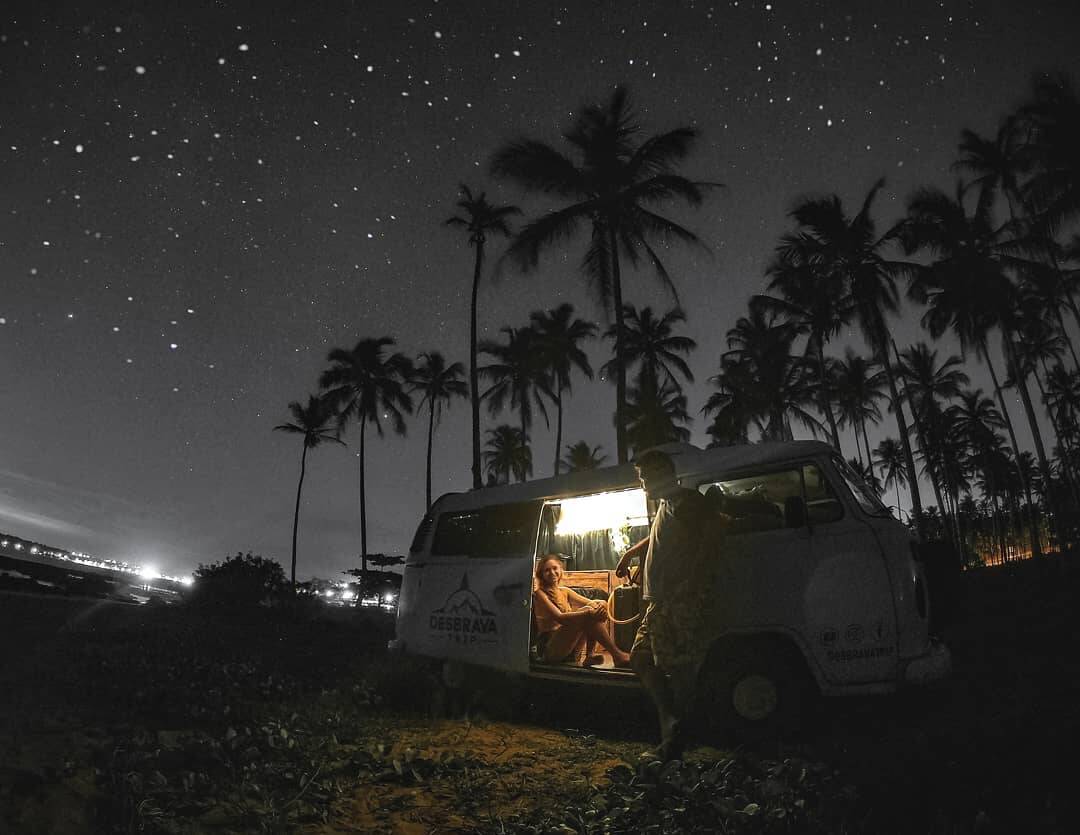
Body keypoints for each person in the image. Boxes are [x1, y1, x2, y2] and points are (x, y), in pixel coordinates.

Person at [614, 448, 715, 761]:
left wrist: (691, 581)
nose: (643, 485)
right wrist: (632, 552)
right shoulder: (668, 504)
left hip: (677, 600)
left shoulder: (687, 501)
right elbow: (664, 537)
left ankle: (675, 740)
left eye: (645, 478)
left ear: (661, 474)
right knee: (641, 658)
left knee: (680, 667)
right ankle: (673, 725)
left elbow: (714, 532)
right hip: (660, 601)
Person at [533, 555, 632, 667]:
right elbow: (559, 617)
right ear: (541, 575)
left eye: (555, 568)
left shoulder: (564, 591)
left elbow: (592, 603)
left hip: (570, 649)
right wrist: (588, 612)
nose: (552, 572)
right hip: (550, 649)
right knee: (587, 612)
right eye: (547, 570)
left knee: (592, 609)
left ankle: (590, 655)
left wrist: (602, 604)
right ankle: (617, 655)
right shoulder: (540, 594)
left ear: (560, 570)